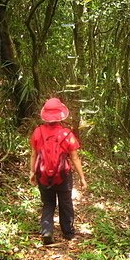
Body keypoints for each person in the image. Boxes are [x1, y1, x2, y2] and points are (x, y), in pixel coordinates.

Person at [29, 98, 87, 245]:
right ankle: (68, 233)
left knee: (48, 203)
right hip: (63, 175)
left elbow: (34, 155)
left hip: (43, 175)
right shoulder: (67, 134)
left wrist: (31, 172)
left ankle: (47, 231)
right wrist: (82, 178)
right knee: (65, 203)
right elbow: (74, 158)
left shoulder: (37, 132)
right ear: (61, 115)